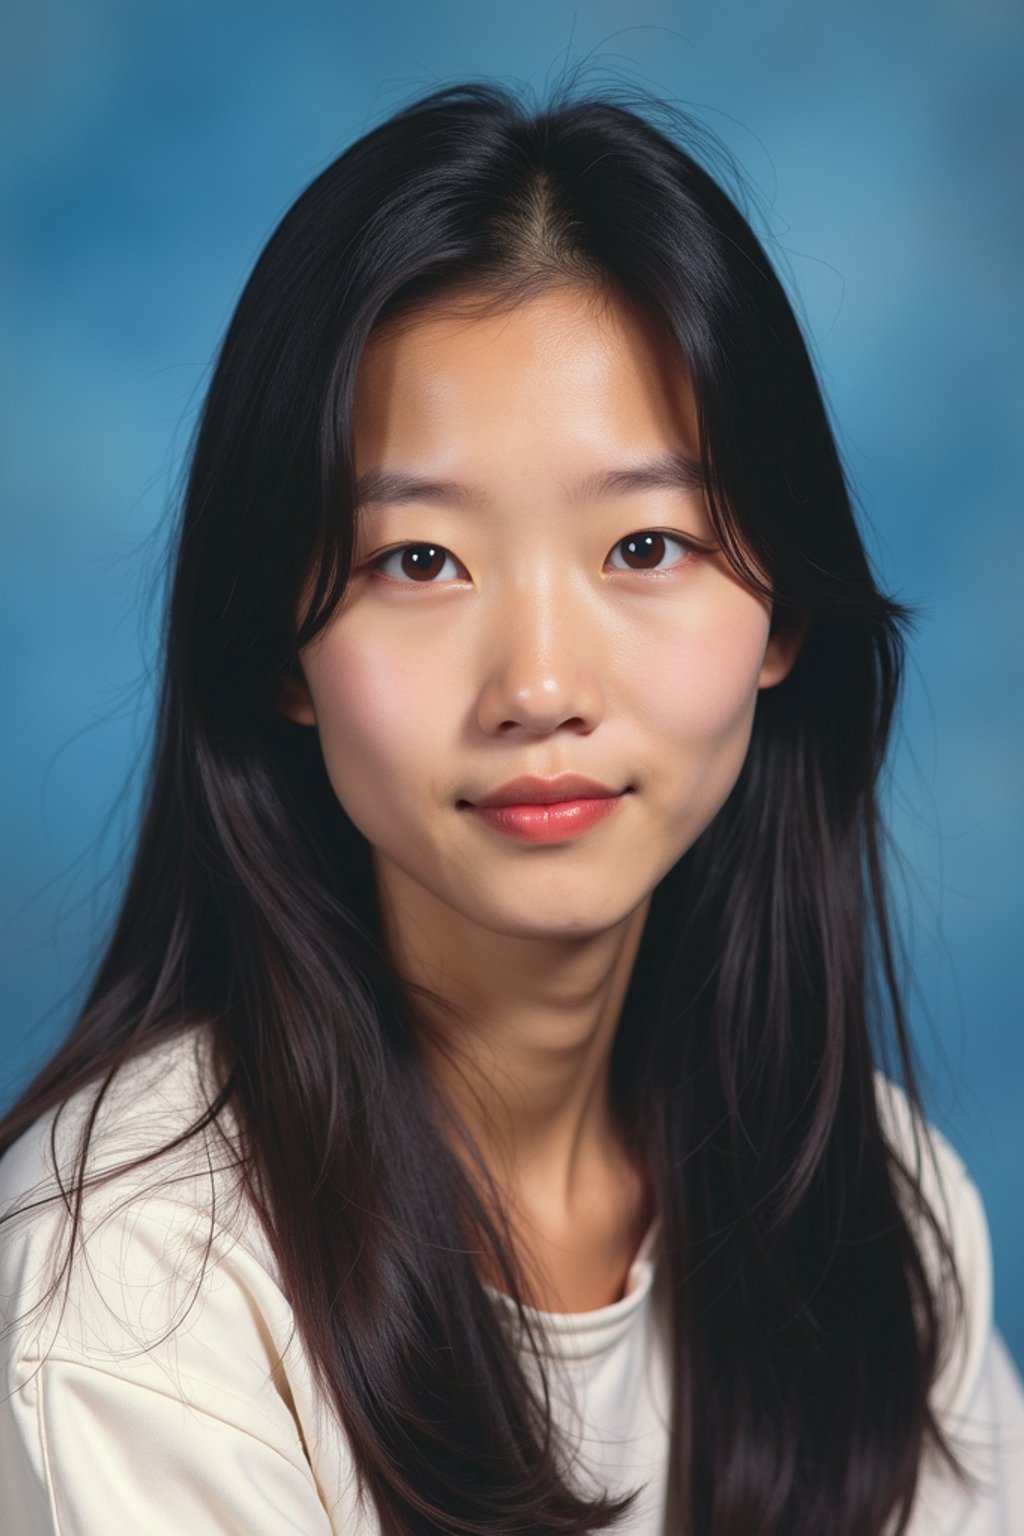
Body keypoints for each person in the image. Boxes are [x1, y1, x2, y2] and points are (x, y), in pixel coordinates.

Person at [0, 81, 1021, 1536]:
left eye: (646, 544)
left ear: (782, 612)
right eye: (419, 562)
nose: (539, 684)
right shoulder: (140, 1282)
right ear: (278, 651)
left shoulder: (878, 1215)